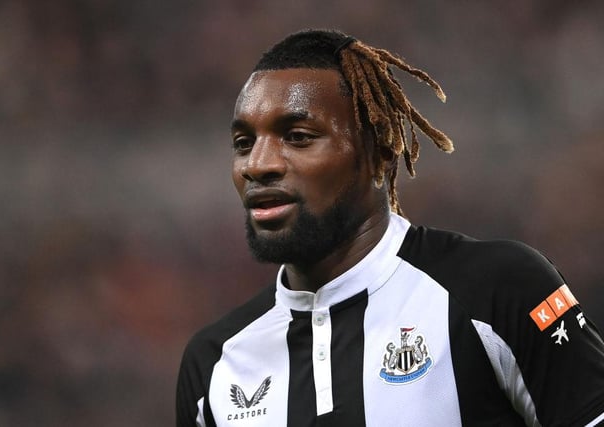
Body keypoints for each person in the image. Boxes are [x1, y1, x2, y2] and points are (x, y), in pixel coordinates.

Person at [176, 29, 604, 426]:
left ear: (380, 155)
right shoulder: (215, 361)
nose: (258, 164)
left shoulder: (496, 290)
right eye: (243, 144)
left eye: (299, 136)